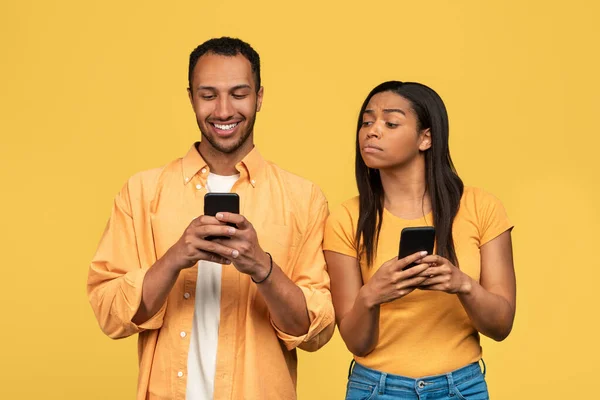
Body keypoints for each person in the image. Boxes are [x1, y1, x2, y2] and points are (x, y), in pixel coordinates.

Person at [87, 37, 335, 400]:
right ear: (190, 98)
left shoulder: (304, 199)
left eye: (239, 93)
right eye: (208, 95)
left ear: (260, 97)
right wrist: (175, 258)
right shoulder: (140, 192)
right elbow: (109, 313)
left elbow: (315, 333)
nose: (223, 110)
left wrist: (262, 268)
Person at [323, 81, 515, 400]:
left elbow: (501, 326)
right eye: (367, 121)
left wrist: (462, 284)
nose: (372, 130)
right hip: (376, 389)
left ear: (426, 138)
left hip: (461, 388)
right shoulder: (346, 218)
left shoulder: (482, 207)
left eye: (390, 122)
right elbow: (357, 343)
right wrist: (372, 295)